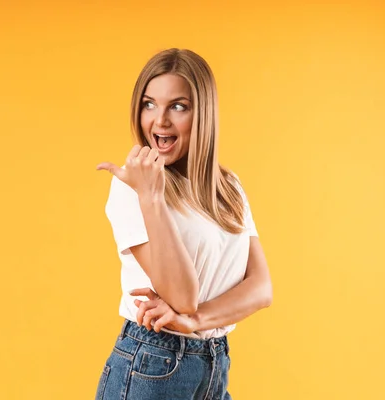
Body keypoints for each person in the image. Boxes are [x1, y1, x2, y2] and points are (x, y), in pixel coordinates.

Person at [95, 48, 273, 400]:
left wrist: (196, 321)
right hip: (152, 364)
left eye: (178, 106)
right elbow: (182, 296)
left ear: (203, 114)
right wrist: (152, 196)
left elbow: (261, 288)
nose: (160, 120)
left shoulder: (228, 188)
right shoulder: (133, 187)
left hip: (213, 363)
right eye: (149, 104)